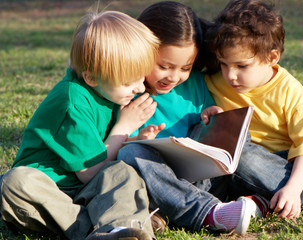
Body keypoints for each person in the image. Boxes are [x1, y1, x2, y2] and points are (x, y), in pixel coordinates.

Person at [0, 10, 160, 240]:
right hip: (52, 192)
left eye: (141, 78)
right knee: (14, 183)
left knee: (122, 173)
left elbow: (101, 148)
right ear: (91, 78)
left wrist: (135, 140)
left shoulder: (109, 92)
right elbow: (90, 171)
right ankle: (111, 228)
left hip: (86, 188)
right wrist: (123, 128)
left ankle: (123, 227)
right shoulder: (72, 102)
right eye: (128, 82)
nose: (140, 88)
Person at [117, 1, 268, 236]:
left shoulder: (195, 82)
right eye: (164, 66)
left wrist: (214, 120)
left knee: (238, 135)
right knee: (131, 153)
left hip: (201, 182)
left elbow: (208, 133)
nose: (174, 77)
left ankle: (277, 196)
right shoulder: (124, 89)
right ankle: (210, 213)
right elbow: (109, 149)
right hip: (155, 185)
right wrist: (136, 138)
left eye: (185, 67)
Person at [204, 0, 303, 219]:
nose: (230, 75)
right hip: (244, 169)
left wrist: (294, 188)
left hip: (290, 165)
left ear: (272, 57)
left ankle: (267, 200)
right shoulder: (213, 81)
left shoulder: (289, 90)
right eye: (223, 64)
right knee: (243, 157)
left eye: (241, 66)